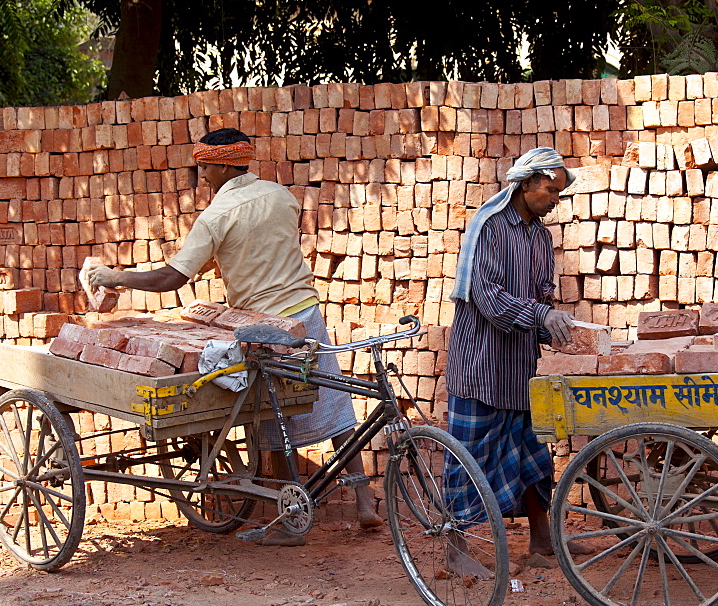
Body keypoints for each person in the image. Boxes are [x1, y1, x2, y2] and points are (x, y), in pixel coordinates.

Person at [87, 128, 382, 543]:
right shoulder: (282, 197)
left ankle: (291, 521)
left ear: (224, 164)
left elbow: (173, 277)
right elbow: (266, 249)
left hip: (262, 327)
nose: (201, 174)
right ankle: (364, 501)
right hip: (305, 315)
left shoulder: (216, 216)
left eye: (204, 165)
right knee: (334, 403)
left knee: (270, 420)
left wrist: (116, 276)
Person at [445, 147, 591, 569]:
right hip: (482, 367)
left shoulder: (540, 237)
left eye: (559, 194)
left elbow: (542, 298)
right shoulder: (488, 228)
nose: (555, 200)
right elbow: (488, 300)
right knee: (469, 458)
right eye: (550, 190)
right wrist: (541, 314)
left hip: (520, 368)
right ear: (526, 183)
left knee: (533, 455)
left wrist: (564, 330)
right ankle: (455, 549)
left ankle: (542, 542)